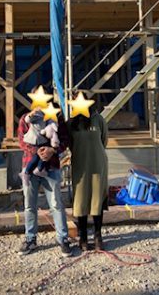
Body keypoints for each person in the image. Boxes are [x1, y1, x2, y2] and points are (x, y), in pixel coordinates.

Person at [17, 89, 72, 257]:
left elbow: (65, 139)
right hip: (30, 166)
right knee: (29, 205)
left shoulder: (57, 117)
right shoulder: (26, 118)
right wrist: (39, 152)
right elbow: (21, 140)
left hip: (52, 166)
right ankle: (30, 238)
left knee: (56, 204)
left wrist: (52, 150)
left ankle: (63, 238)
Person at [67, 97, 108, 252]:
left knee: (98, 200)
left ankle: (98, 236)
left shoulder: (99, 120)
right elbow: (69, 144)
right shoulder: (71, 123)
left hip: (98, 163)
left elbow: (104, 140)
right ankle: (83, 238)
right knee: (81, 201)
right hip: (80, 165)